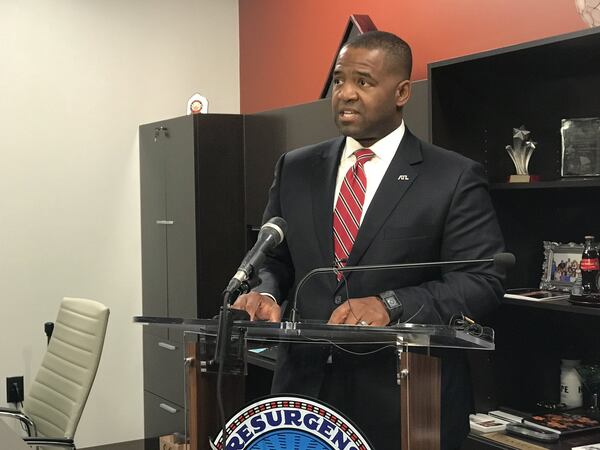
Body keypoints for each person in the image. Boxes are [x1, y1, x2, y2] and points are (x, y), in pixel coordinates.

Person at [233, 31, 505, 450]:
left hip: (404, 402)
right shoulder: (296, 167)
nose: (346, 94)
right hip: (302, 399)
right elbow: (276, 258)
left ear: (400, 92)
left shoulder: (451, 177)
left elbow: (481, 281)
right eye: (339, 81)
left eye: (363, 82)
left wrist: (391, 304)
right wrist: (265, 293)